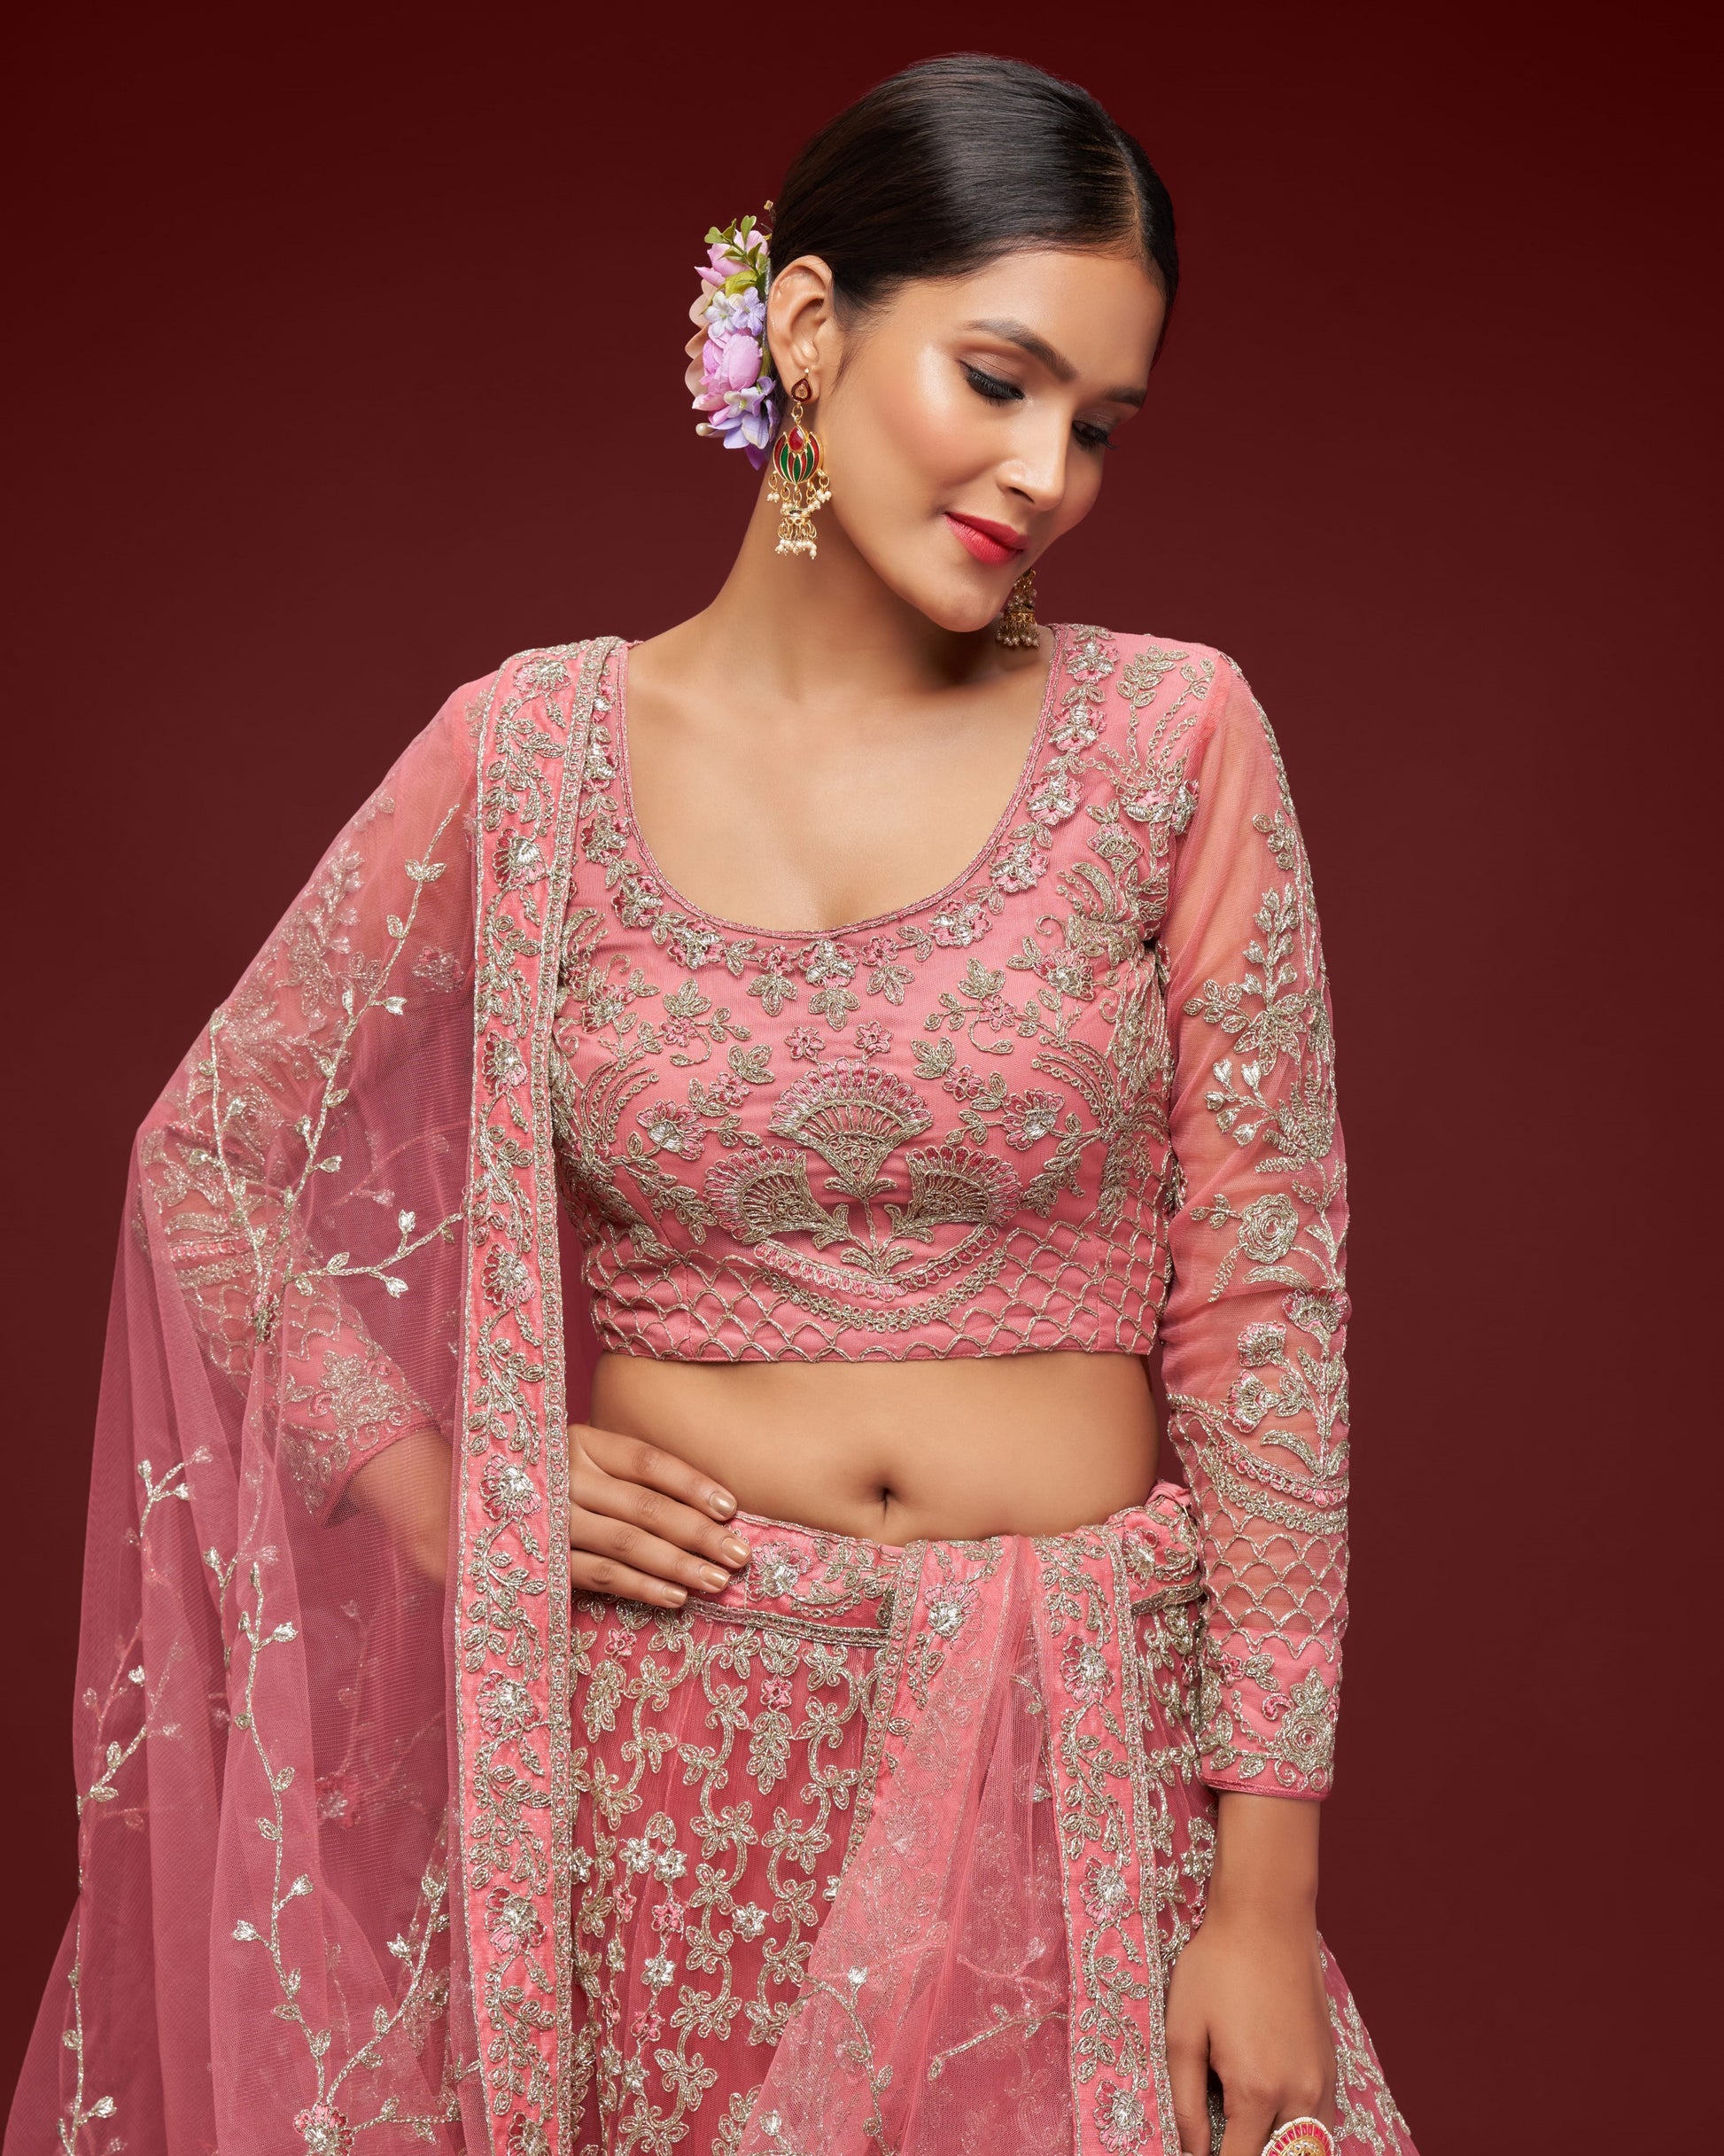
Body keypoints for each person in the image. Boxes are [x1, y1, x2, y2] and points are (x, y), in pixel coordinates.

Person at [8, 53, 1414, 2156]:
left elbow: (1266, 1307)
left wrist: (1264, 1881)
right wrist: (438, 1477)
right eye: (1000, 379)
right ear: (813, 326)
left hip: (1073, 1735)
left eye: (1098, 424)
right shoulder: (534, 755)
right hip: (664, 1784)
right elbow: (207, 1155)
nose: (1046, 473)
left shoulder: (1170, 736)